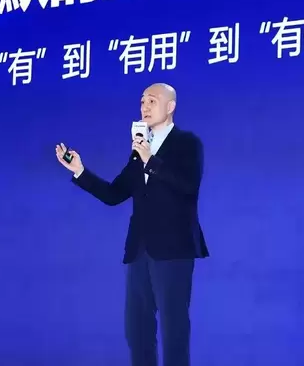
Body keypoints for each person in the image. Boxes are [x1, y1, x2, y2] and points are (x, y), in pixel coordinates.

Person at [55, 82, 208, 366]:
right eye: (142, 101)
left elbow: (187, 186)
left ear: (170, 107)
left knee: (174, 331)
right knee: (137, 332)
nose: (144, 107)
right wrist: (80, 171)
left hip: (173, 251)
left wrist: (150, 160)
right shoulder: (140, 151)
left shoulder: (187, 143)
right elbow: (114, 194)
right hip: (139, 251)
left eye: (152, 101)